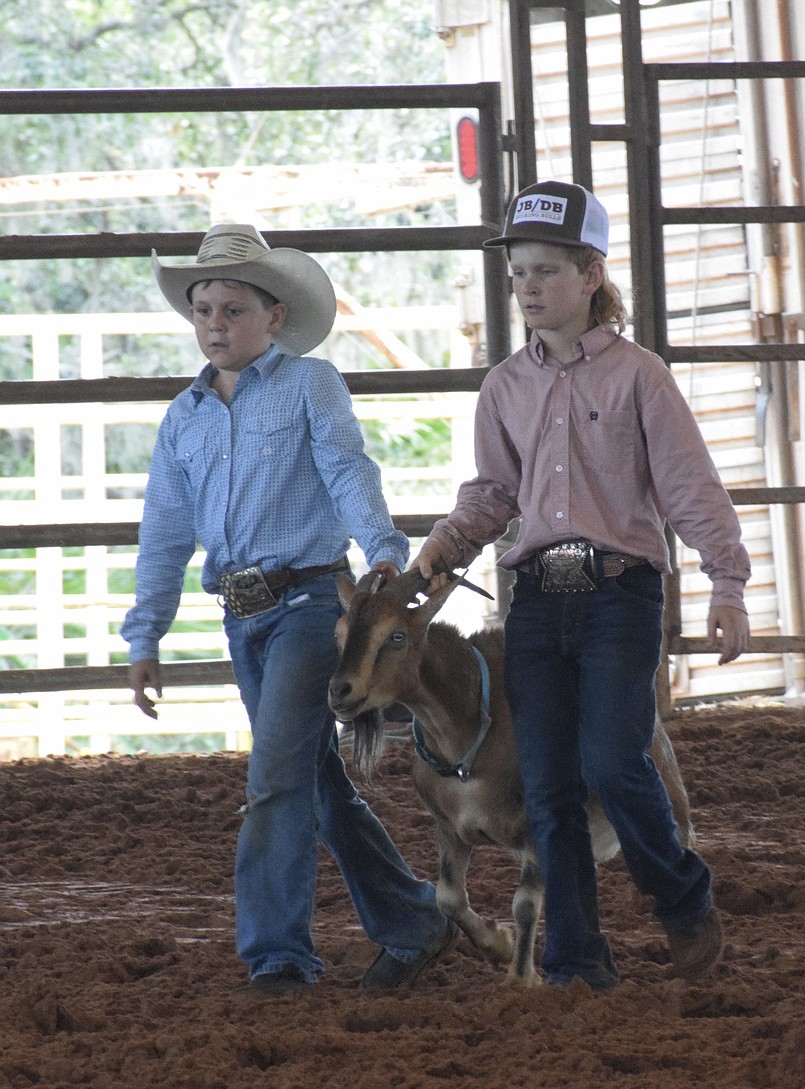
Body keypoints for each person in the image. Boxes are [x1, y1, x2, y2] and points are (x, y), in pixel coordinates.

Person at [414, 181, 750, 990]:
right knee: (551, 784)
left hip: (619, 595)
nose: (527, 289)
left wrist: (726, 581)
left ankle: (680, 892)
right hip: (534, 599)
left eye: (544, 273)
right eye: (517, 274)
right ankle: (573, 960)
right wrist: (450, 540)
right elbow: (495, 492)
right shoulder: (505, 387)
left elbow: (687, 487)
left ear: (591, 275)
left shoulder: (640, 378)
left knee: (613, 757)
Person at [121, 223, 457, 995]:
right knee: (314, 781)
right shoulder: (185, 417)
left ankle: (277, 956)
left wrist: (380, 546)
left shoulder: (312, 384)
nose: (214, 324)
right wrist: (146, 633)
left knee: (274, 776)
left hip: (312, 606)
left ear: (274, 316)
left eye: (232, 310)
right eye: (203, 309)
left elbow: (347, 466)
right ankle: (413, 918)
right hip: (242, 617)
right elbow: (165, 533)